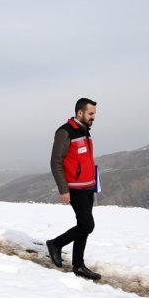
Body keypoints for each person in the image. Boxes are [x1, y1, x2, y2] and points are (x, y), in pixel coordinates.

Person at [46, 98, 102, 280]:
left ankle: (78, 265)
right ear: (80, 113)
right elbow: (56, 162)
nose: (94, 117)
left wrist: (94, 180)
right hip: (75, 188)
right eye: (91, 113)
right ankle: (55, 243)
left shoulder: (85, 131)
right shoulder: (65, 132)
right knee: (87, 225)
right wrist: (64, 189)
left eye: (94, 113)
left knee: (83, 227)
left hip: (88, 186)